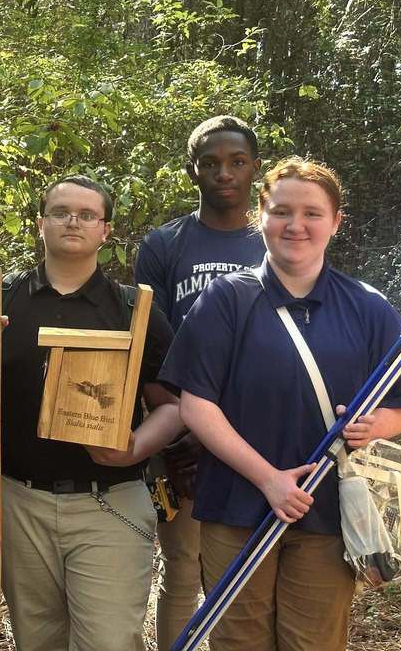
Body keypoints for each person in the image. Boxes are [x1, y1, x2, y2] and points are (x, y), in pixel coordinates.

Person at [159, 157, 401, 651]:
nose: (295, 226)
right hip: (237, 508)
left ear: (336, 222)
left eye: (312, 213)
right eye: (281, 211)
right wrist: (268, 479)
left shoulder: (368, 307)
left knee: (313, 643)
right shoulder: (225, 300)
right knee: (239, 642)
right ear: (261, 216)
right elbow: (197, 405)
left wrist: (373, 426)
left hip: (327, 512)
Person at [0, 175, 183, 651]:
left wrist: (134, 448)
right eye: (60, 212)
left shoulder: (133, 309)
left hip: (110, 502)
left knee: (108, 642)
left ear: (106, 231)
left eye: (86, 214)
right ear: (41, 224)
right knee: (38, 641)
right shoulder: (0, 301)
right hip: (19, 503)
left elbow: (174, 407)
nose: (72, 222)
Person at [133, 115, 265, 647]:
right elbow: (149, 347)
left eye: (236, 162)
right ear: (193, 171)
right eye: (210, 163)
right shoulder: (166, 244)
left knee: (250, 568)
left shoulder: (274, 239)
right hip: (181, 438)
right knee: (183, 567)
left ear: (255, 167)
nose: (224, 173)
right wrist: (182, 432)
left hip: (260, 437)